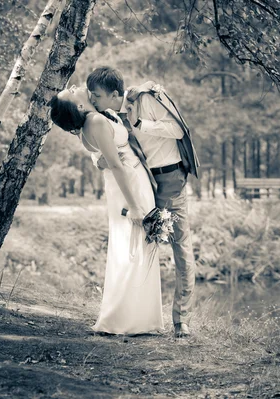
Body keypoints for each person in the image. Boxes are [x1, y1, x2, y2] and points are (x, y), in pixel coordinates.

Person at [86, 67, 199, 338]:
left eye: (97, 95)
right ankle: (140, 317)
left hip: (171, 177)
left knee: (180, 246)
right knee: (143, 245)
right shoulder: (108, 114)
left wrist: (140, 124)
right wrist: (97, 160)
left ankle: (181, 320)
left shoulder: (145, 99)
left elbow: (179, 130)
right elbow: (108, 143)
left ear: (115, 94)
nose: (93, 100)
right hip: (144, 183)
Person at [49, 84, 164, 335]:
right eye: (69, 92)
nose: (72, 86)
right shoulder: (97, 122)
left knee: (132, 245)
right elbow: (116, 165)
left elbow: (104, 158)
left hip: (125, 182)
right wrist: (134, 206)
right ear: (79, 105)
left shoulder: (93, 122)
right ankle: (126, 320)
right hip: (128, 186)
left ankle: (139, 317)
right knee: (132, 245)